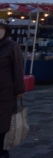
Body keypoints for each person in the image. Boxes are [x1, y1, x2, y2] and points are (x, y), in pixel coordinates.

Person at [0, 22, 25, 158]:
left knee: (3, 125)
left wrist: (19, 90)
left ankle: (3, 152)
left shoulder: (11, 46)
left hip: (5, 93)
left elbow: (18, 69)